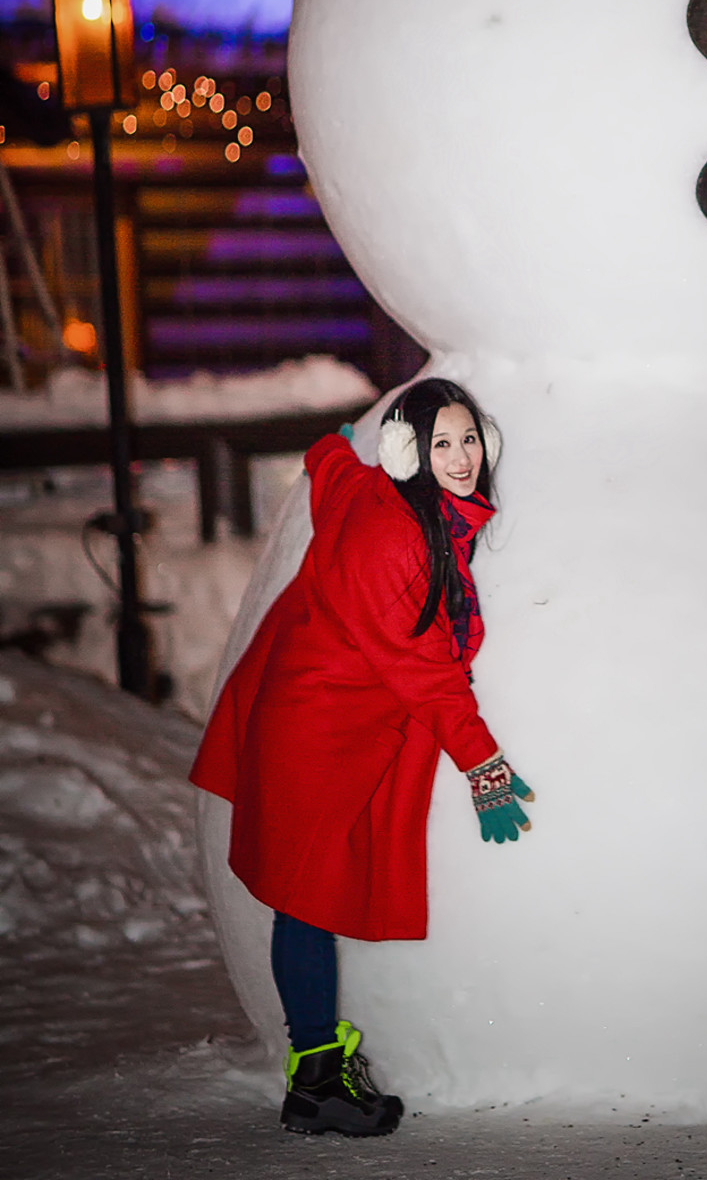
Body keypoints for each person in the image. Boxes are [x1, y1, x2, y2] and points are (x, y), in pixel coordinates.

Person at [190, 378, 533, 1138]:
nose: (462, 457)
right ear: (409, 452)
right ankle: (314, 1082)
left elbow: (334, 475)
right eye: (440, 443)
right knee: (304, 900)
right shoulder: (397, 543)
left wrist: (328, 446)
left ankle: (316, 1072)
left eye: (469, 439)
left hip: (318, 713)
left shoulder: (384, 493)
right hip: (318, 733)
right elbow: (429, 676)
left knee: (303, 896)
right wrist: (486, 771)